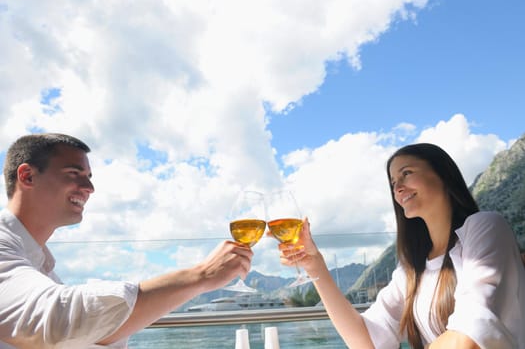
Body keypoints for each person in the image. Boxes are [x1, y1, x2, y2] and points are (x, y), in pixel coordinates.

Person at [0, 133, 254, 348]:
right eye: (74, 173)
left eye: (89, 176)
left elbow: (85, 334)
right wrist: (202, 275)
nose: (89, 187)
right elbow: (56, 318)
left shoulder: (40, 265)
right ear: (28, 177)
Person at [279, 143, 525, 348]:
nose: (397, 187)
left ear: (443, 175)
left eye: (406, 173)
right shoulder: (412, 267)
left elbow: (470, 331)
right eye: (393, 182)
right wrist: (316, 267)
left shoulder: (484, 227)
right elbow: (365, 341)